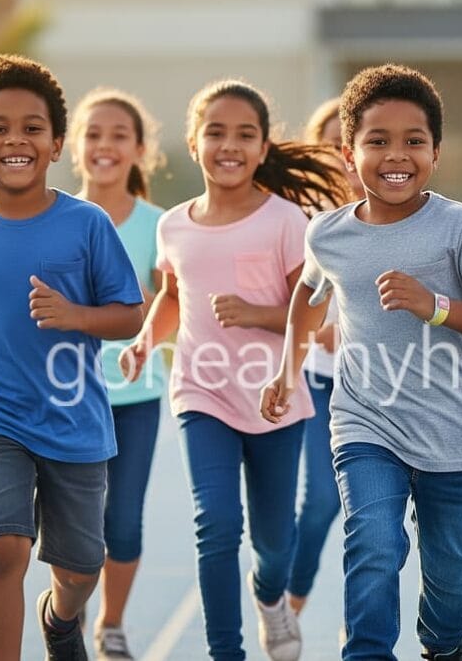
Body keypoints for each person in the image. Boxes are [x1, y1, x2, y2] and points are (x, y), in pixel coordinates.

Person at [260, 63, 462, 661]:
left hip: (451, 433)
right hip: (365, 422)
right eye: (377, 141)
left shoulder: (461, 227)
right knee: (373, 544)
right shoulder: (327, 233)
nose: (396, 155)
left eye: (413, 141)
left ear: (435, 152)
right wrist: (287, 370)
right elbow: (309, 295)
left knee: (450, 574)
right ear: (349, 156)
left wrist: (434, 306)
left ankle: (443, 646)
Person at [0, 54, 143, 660]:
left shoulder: (87, 224)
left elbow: (130, 315)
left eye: (32, 128)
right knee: (3, 549)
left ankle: (60, 620)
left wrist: (77, 316)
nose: (15, 140)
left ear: (56, 144)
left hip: (73, 420)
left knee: (81, 569)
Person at [120, 79, 350, 661]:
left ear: (263, 147)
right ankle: (226, 651)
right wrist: (146, 340)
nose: (229, 145)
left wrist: (256, 313)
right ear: (193, 144)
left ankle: (271, 598)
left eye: (245, 134)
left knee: (275, 545)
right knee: (216, 525)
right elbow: (173, 295)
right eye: (216, 132)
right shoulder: (174, 226)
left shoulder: (287, 221)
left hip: (276, 398)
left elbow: (312, 310)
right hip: (202, 394)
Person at [70, 87, 167, 660]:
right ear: (74, 146)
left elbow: (171, 305)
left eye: (118, 135)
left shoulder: (159, 225)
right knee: (73, 523)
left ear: (139, 150)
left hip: (135, 396)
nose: (104, 145)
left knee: (123, 521)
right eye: (93, 134)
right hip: (63, 395)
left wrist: (139, 317)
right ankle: (69, 616)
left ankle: (110, 625)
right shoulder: (54, 216)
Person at [287, 97, 364, 617]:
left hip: (384, 382)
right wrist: (319, 332)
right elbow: (291, 296)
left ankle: (363, 622)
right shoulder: (302, 216)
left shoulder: (400, 208)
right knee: (321, 499)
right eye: (332, 144)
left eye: (350, 142)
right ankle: (289, 599)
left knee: (373, 513)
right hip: (319, 380)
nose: (343, 156)